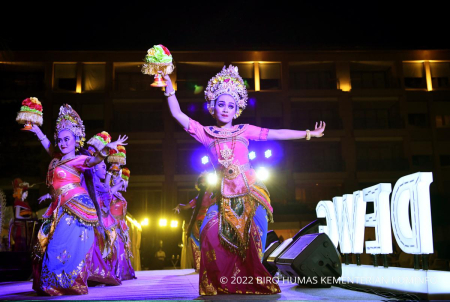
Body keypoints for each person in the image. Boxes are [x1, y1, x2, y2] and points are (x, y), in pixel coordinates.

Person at [161, 65, 325, 295]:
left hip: (249, 191)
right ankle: (223, 282)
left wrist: (308, 134)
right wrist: (169, 90)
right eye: (221, 104)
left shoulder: (244, 130)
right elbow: (178, 115)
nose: (226, 109)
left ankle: (248, 280)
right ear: (212, 106)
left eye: (231, 105)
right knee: (209, 232)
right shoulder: (205, 132)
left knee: (253, 239)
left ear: (237, 109)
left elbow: (275, 133)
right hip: (221, 195)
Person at [30, 104, 127, 295]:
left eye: (67, 139)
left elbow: (93, 161)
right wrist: (37, 130)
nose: (62, 143)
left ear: (76, 141)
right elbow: (48, 144)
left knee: (61, 245)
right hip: (59, 207)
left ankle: (62, 283)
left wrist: (106, 150)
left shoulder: (78, 160)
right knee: (46, 244)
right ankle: (54, 283)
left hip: (75, 208)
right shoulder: (58, 158)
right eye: (60, 140)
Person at [174, 172, 216, 271]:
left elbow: (186, 206)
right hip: (207, 222)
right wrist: (180, 206)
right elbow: (186, 206)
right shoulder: (209, 195)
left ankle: (200, 266)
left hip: (199, 223)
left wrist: (179, 206)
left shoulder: (200, 197)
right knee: (208, 244)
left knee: (198, 244)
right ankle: (208, 266)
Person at [110, 168, 136, 280]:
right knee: (114, 248)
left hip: (121, 224)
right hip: (111, 225)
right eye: (118, 179)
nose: (121, 181)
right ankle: (114, 273)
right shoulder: (109, 193)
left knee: (123, 248)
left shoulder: (120, 196)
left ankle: (122, 272)